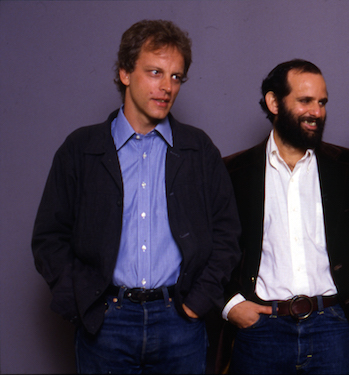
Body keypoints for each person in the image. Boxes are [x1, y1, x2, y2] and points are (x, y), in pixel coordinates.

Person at [31, 19, 241, 374]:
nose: (167, 87)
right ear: (125, 73)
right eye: (155, 72)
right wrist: (83, 305)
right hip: (107, 324)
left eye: (176, 77)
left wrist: (196, 304)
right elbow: (49, 238)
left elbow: (227, 235)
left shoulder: (197, 149)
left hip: (179, 322)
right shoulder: (82, 149)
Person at [221, 59, 349, 374]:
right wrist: (230, 306)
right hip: (260, 331)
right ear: (274, 102)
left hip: (334, 327)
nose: (317, 112)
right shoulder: (232, 172)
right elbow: (208, 247)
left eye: (322, 102)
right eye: (305, 101)